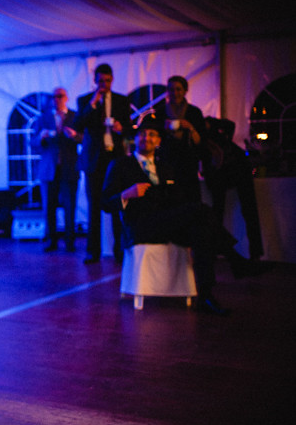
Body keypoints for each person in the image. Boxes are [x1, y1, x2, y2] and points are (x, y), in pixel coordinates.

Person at [102, 115, 258, 315]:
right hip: (141, 226)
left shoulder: (166, 167)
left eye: (151, 135)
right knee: (201, 210)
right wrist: (126, 194)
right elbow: (105, 203)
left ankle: (206, 294)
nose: (146, 138)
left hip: (167, 223)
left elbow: (178, 200)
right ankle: (235, 260)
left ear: (158, 141)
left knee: (200, 227)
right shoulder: (120, 165)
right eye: (142, 134)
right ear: (136, 139)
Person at [76, 63, 133, 264]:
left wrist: (121, 128)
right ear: (95, 81)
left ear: (112, 80)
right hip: (94, 160)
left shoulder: (121, 100)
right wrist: (93, 102)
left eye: (107, 81)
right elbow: (79, 124)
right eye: (100, 81)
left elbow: (129, 129)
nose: (104, 84)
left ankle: (120, 249)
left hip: (115, 158)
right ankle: (93, 251)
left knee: (118, 204)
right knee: (94, 207)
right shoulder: (85, 100)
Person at [201, 116, 265, 260]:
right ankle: (218, 251)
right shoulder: (201, 138)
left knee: (246, 210)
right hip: (223, 172)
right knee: (219, 212)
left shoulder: (211, 132)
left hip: (236, 168)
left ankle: (254, 252)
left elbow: (230, 125)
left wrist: (212, 123)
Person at [34, 87, 80, 251]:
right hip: (49, 169)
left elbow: (84, 138)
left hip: (68, 167)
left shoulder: (75, 116)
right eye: (54, 97)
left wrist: (74, 135)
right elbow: (33, 143)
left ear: (66, 98)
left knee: (70, 206)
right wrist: (41, 137)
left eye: (60, 96)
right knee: (49, 207)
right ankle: (51, 240)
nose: (57, 99)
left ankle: (70, 241)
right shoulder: (43, 118)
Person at [153, 76, 206, 203]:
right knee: (170, 200)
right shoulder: (160, 113)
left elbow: (200, 141)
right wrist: (162, 129)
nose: (174, 93)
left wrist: (190, 127)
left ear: (185, 91)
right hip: (167, 162)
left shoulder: (194, 112)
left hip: (188, 163)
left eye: (178, 89)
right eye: (171, 89)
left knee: (190, 199)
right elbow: (154, 141)